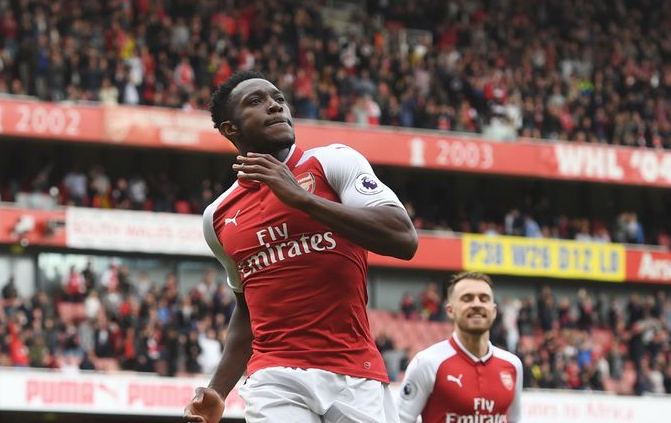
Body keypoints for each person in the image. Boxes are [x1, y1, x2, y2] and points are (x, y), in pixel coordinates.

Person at [184, 70, 418, 423]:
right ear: (231, 129)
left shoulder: (334, 162)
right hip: (274, 377)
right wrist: (217, 390)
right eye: (256, 101)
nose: (275, 106)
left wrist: (301, 199)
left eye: (278, 98)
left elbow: (403, 238)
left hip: (354, 371)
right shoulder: (217, 217)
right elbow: (248, 309)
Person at [397, 272, 522, 423]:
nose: (476, 304)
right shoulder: (427, 362)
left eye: (484, 299)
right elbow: (399, 419)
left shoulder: (513, 365)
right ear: (450, 310)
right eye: (467, 298)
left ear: (494, 311)